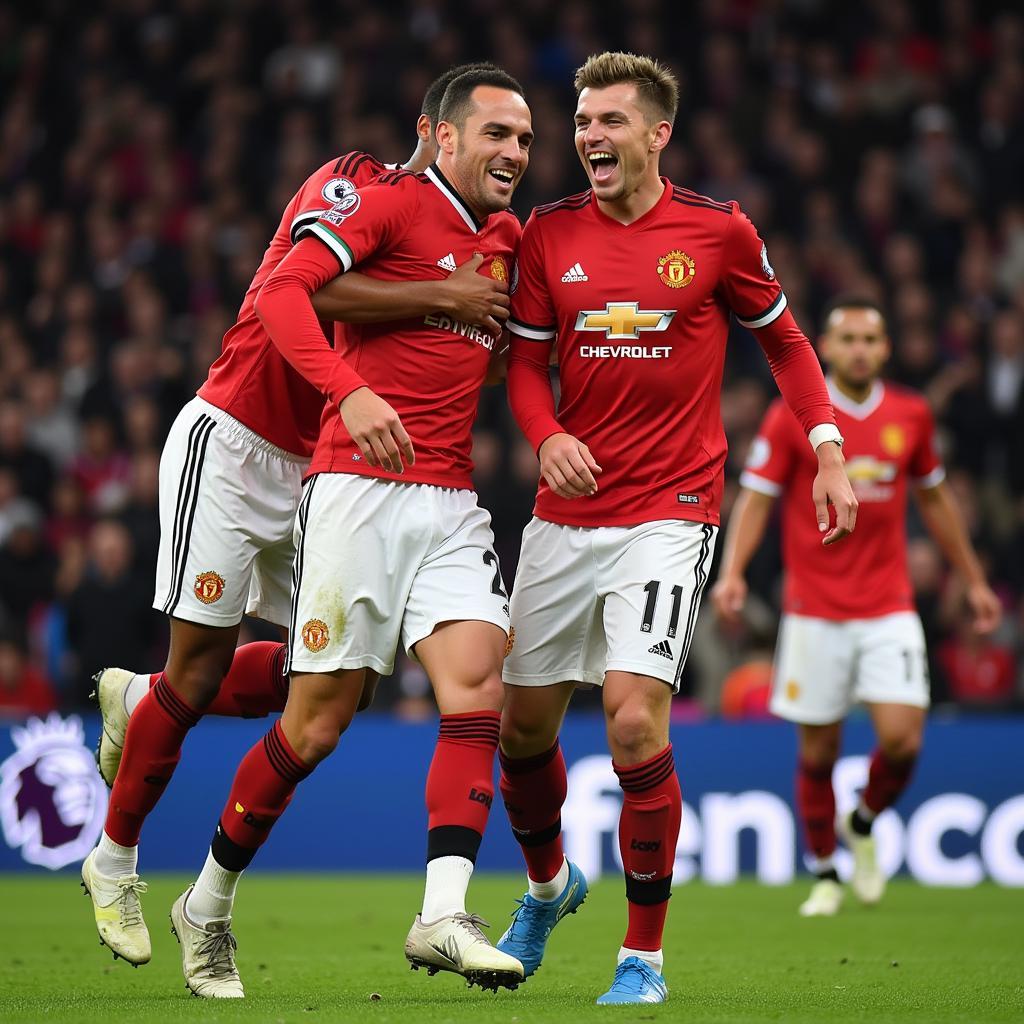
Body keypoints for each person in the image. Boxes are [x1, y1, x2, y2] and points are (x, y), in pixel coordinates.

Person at [80, 62, 510, 969]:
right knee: (197, 673)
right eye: (495, 133)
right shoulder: (353, 184)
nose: (514, 152)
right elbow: (293, 292)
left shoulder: (481, 234)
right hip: (237, 440)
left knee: (327, 689)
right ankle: (114, 861)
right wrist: (371, 371)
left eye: (523, 139)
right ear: (436, 131)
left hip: (330, 464)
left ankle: (139, 701)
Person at [493, 52, 857, 1006]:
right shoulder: (547, 235)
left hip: (671, 509)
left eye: (611, 121)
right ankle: (545, 889)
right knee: (519, 732)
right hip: (565, 514)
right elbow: (526, 368)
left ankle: (642, 958)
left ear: (657, 134)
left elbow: (784, 338)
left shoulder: (718, 231)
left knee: (631, 717)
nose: (589, 138)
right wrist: (547, 434)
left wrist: (825, 444)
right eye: (582, 122)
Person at [711, 296, 1001, 917]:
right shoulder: (792, 414)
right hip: (814, 609)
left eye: (871, 338)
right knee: (818, 752)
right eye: (848, 339)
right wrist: (731, 571)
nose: (860, 349)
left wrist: (973, 579)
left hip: (887, 604)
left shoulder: (912, 414)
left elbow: (938, 502)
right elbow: (756, 499)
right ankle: (824, 874)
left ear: (887, 348)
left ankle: (863, 820)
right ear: (827, 348)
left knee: (901, 741)